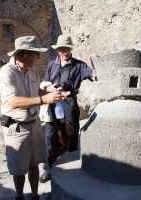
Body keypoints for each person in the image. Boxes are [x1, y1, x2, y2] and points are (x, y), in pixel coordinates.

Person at [0, 36, 70, 200]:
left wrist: (53, 95)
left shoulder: (32, 70)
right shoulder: (6, 72)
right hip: (17, 127)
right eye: (36, 53)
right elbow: (13, 101)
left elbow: (36, 90)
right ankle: (19, 196)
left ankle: (35, 195)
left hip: (35, 124)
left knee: (34, 162)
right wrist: (43, 100)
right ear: (25, 54)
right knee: (19, 168)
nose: (39, 56)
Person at [39, 35, 97, 183]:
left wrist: (96, 62)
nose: (65, 51)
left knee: (71, 133)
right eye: (62, 49)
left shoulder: (78, 65)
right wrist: (50, 87)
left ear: (71, 49)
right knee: (49, 134)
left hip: (70, 104)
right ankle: (48, 167)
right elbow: (45, 83)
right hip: (53, 103)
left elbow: (94, 76)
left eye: (68, 48)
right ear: (58, 50)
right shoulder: (52, 64)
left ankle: (72, 166)